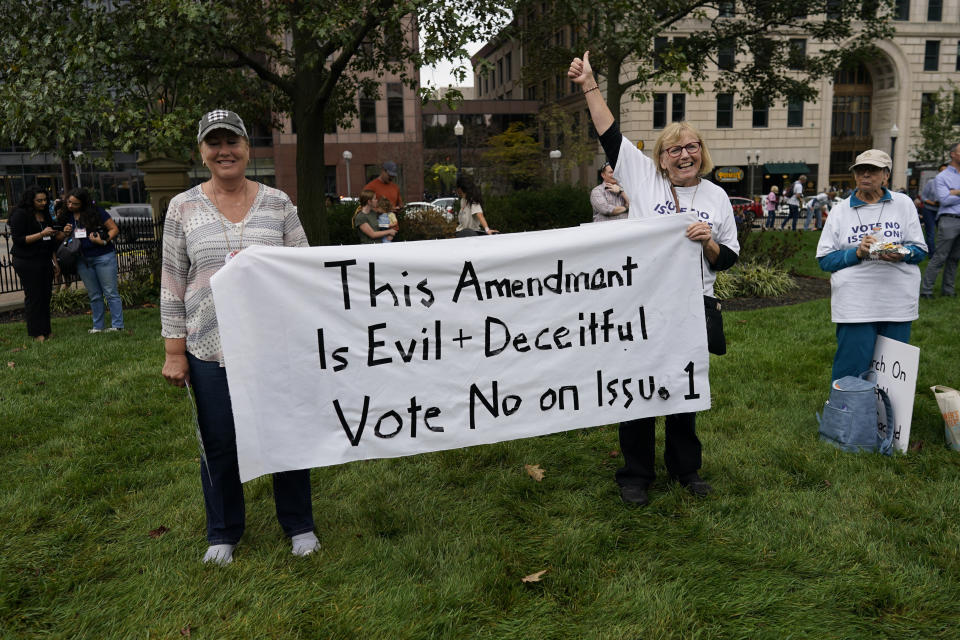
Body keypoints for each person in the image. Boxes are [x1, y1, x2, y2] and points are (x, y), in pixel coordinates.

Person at [569, 51, 739, 507]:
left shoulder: (717, 197)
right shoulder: (642, 179)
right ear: (660, 159)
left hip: (693, 306)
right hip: (643, 307)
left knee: (684, 391)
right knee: (639, 390)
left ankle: (687, 470)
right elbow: (609, 131)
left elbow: (728, 260)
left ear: (701, 153)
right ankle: (636, 475)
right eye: (674, 149)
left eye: (692, 147)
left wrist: (708, 244)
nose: (684, 154)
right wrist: (589, 83)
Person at [161, 109, 318, 565]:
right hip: (210, 348)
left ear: (248, 149)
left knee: (284, 434)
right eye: (215, 143)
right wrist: (175, 350)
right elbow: (173, 279)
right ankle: (224, 531)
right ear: (202, 152)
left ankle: (299, 525)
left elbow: (303, 269)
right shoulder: (182, 207)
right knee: (219, 440)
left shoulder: (278, 204)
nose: (224, 150)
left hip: (274, 344)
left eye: (233, 142)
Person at [815, 150, 927, 381]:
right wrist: (857, 253)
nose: (865, 174)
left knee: (893, 373)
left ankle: (889, 417)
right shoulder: (840, 211)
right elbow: (824, 260)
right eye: (860, 169)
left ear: (886, 175)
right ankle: (847, 415)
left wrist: (900, 252)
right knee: (852, 365)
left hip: (897, 301)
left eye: (873, 170)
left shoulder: (903, 204)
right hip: (855, 304)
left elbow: (920, 251)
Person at [8, 186, 71, 341]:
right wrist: (41, 234)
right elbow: (19, 240)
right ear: (31, 200)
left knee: (45, 295)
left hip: (44, 259)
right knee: (34, 296)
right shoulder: (20, 214)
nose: (43, 203)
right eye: (39, 200)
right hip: (26, 261)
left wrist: (55, 262)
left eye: (45, 200)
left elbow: (50, 242)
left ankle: (46, 330)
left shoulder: (44, 214)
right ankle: (36, 333)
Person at [61, 188, 123, 333]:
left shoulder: (96, 211)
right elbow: (63, 237)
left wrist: (103, 240)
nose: (70, 206)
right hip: (82, 259)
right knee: (94, 294)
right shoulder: (67, 215)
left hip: (103, 256)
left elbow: (114, 229)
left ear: (83, 203)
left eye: (75, 204)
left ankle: (117, 325)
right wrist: (65, 232)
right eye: (69, 202)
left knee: (110, 292)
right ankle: (98, 326)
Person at [920, 146, 960, 299]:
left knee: (955, 258)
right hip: (949, 219)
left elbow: (949, 197)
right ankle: (926, 291)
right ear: (953, 154)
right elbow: (943, 199)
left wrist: (954, 191)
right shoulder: (942, 177)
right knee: (940, 256)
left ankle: (948, 291)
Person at [919, 164, 946, 255]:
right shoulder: (931, 182)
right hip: (929, 210)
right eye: (941, 171)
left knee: (943, 234)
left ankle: (942, 253)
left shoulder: (950, 184)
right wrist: (933, 203)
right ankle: (932, 254)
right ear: (938, 172)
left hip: (942, 210)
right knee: (931, 233)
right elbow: (923, 197)